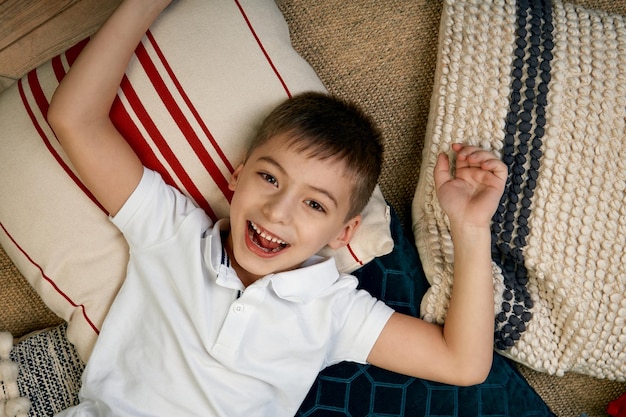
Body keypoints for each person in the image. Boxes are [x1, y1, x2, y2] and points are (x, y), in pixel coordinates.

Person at [47, 0, 507, 416]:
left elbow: (462, 363)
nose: (277, 211)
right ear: (237, 176)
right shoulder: (172, 232)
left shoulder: (332, 309)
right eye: (269, 178)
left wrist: (470, 227)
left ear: (342, 233)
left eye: (313, 203)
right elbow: (74, 119)